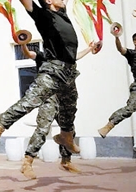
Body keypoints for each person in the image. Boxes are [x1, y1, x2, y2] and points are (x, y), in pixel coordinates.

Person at [0, 0, 82, 162]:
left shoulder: (62, 13)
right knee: (29, 102)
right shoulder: (44, 16)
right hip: (53, 70)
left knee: (70, 107)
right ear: (49, 1)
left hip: (69, 70)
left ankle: (66, 136)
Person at [19, 42, 96, 177]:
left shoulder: (64, 57)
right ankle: (27, 163)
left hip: (62, 98)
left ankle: (66, 161)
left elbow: (76, 56)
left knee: (69, 130)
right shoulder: (42, 56)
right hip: (48, 97)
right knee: (43, 129)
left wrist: (89, 49)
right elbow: (28, 54)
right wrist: (23, 44)